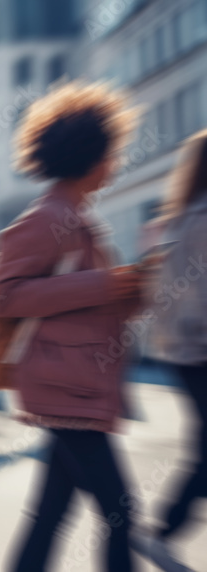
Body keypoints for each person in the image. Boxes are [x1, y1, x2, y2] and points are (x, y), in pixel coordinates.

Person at [0, 82, 144, 572]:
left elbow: (84, 300)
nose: (115, 164)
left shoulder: (76, 217)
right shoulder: (48, 217)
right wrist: (102, 285)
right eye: (112, 153)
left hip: (76, 386)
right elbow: (4, 296)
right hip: (63, 389)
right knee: (120, 511)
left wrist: (128, 291)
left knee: (52, 512)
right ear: (91, 156)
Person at [142, 128, 207, 569]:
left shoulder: (183, 218)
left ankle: (164, 528)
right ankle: (163, 529)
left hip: (187, 352)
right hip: (199, 351)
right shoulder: (201, 220)